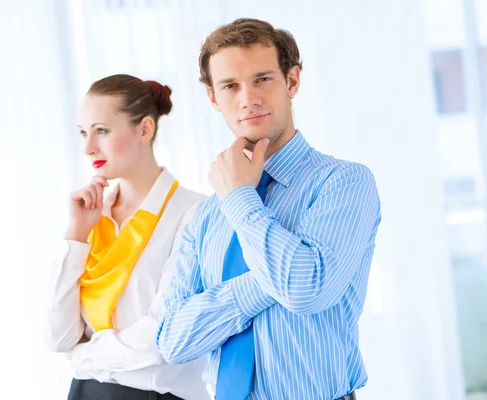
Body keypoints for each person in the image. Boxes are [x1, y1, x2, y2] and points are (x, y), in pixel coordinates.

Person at [157, 18, 381, 400]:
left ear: (291, 81)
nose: (248, 99)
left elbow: (306, 291)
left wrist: (241, 200)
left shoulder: (343, 183)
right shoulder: (209, 214)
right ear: (214, 98)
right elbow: (174, 341)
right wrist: (271, 279)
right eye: (230, 86)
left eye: (263, 79)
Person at [44, 74, 208, 400]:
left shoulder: (194, 214)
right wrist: (76, 235)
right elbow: (58, 338)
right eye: (83, 133)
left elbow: (161, 339)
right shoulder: (93, 215)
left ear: (145, 130)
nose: (88, 147)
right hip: (85, 392)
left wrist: (82, 358)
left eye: (101, 131)